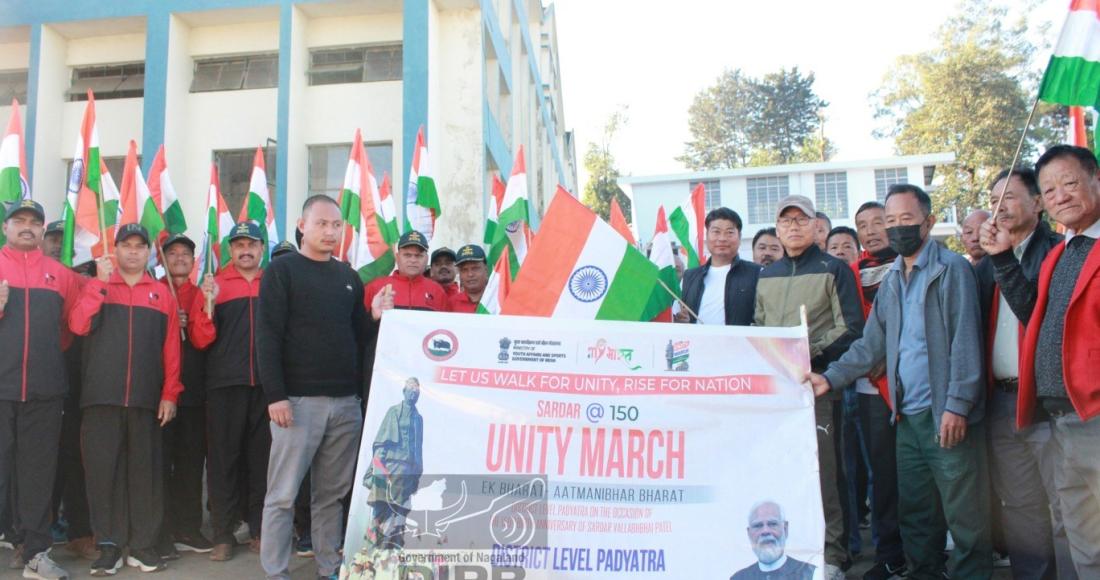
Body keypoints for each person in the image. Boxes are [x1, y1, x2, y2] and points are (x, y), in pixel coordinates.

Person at [807, 184, 992, 579]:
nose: (896, 228)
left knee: (964, 514)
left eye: (906, 219)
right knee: (916, 512)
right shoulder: (893, 277)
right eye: (891, 220)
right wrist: (829, 378)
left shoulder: (951, 269)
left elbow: (966, 342)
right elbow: (870, 344)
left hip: (945, 413)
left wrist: (957, 405)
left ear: (928, 222)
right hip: (905, 416)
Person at [987, 145, 1100, 577]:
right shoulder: (1060, 254)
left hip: (1094, 415)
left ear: (1096, 179)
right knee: (1081, 537)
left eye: (1069, 183)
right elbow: (1034, 316)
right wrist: (1001, 258)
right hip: (1059, 419)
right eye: (1050, 189)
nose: (1060, 196)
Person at [258, 195, 369, 580]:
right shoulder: (282, 271)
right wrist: (276, 396)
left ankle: (328, 567)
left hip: (345, 404)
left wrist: (375, 315)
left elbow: (359, 336)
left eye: (336, 225)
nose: (330, 231)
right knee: (282, 494)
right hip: (297, 402)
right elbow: (268, 336)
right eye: (321, 223)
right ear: (302, 226)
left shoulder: (349, 278)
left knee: (331, 496)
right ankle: (275, 571)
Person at [755, 195, 863, 580]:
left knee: (826, 472)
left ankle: (834, 554)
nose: (794, 227)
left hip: (819, 385)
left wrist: (806, 352)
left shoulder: (835, 269)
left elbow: (850, 327)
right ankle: (797, 547)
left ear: (816, 225)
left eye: (801, 219)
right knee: (785, 470)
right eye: (786, 221)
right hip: (777, 390)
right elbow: (759, 325)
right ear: (778, 228)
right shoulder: (766, 275)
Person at [974, 167, 1072, 580]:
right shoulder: (984, 265)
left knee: (1067, 503)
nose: (999, 207)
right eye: (993, 199)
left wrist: (1002, 259)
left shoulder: (1059, 253)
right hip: (1001, 401)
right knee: (1018, 505)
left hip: (1048, 402)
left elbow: (1040, 319)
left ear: (1038, 202)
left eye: (1010, 196)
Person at [70, 223, 183, 575]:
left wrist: (170, 393)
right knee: (103, 474)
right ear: (115, 249)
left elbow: (171, 348)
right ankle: (109, 545)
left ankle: (143, 546)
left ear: (149, 252)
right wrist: (99, 284)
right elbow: (78, 325)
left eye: (139, 246)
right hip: (100, 398)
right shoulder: (97, 285)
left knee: (145, 475)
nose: (133, 251)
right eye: (126, 245)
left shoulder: (161, 293)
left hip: (146, 400)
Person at [0, 200, 82, 579]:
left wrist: (98, 286)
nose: (27, 227)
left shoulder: (60, 274)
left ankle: (35, 552)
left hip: (44, 392)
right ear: (6, 227)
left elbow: (71, 328)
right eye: (19, 220)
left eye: (34, 222)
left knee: (37, 475)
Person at [190, 221, 269, 561]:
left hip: (266, 386)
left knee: (262, 460)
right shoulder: (214, 285)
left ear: (262, 248)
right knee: (223, 461)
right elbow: (200, 339)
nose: (245, 250)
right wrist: (208, 306)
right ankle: (223, 533)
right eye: (239, 245)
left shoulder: (273, 283)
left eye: (251, 244)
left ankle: (261, 529)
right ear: (230, 250)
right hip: (224, 385)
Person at [850, 200, 906, 580]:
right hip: (870, 389)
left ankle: (926, 552)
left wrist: (890, 354)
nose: (870, 231)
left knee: (917, 476)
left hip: (912, 387)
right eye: (863, 225)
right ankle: (890, 553)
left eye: (878, 222)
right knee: (883, 477)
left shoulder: (909, 264)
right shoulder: (851, 272)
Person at [157, 234, 213, 559]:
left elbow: (205, 340)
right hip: (158, 393)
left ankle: (188, 528)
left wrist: (195, 316)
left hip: (193, 392)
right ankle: (160, 531)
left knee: (191, 463)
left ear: (194, 261)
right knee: (160, 463)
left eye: (185, 254)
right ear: (162, 259)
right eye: (172, 253)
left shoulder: (201, 293)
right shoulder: (154, 290)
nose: (179, 258)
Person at [363, 377, 424, 550]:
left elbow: (418, 446)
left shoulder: (418, 418)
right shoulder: (394, 412)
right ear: (404, 391)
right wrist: (378, 467)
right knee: (383, 506)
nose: (413, 394)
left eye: (417, 391)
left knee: (400, 510)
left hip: (408, 470)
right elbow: (382, 442)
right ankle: (374, 550)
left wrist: (417, 472)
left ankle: (392, 549)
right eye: (411, 390)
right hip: (391, 465)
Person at [677, 207, 759, 325]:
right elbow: (679, 315)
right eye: (716, 232)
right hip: (698, 337)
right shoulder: (689, 277)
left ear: (739, 237)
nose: (722, 238)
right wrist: (683, 320)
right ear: (707, 235)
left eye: (729, 232)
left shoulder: (756, 273)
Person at [364, 231, 450, 313]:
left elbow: (445, 323)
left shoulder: (437, 291)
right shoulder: (375, 288)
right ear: (397, 257)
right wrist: (373, 317)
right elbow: (361, 321)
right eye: (407, 255)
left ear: (426, 259)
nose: (413, 260)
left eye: (418, 256)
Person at [730, 501, 815, 580]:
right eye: (758, 525)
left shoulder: (811, 574)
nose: (765, 531)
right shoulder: (738, 578)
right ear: (749, 534)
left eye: (772, 524)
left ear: (785, 529)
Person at [448, 244, 489, 313]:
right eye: (464, 270)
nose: (470, 274)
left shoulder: (499, 301)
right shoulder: (451, 304)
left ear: (486, 270)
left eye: (475, 268)